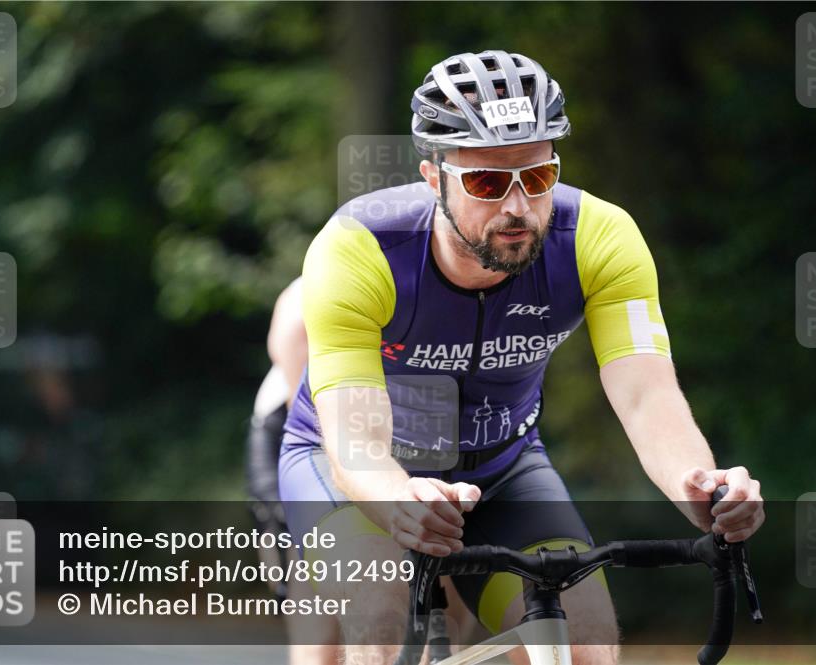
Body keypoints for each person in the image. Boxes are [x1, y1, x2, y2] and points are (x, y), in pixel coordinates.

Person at [279, 50, 766, 665]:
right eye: (486, 183)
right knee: (382, 614)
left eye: (536, 179)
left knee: (585, 638)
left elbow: (647, 396)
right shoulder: (360, 248)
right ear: (435, 178)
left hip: (503, 468)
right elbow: (355, 444)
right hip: (348, 471)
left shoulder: (599, 237)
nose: (516, 207)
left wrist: (700, 484)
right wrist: (398, 502)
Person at [246, 278, 340, 665]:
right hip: (295, 429)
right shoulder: (304, 296)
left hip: (373, 431)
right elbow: (311, 412)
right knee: (318, 566)